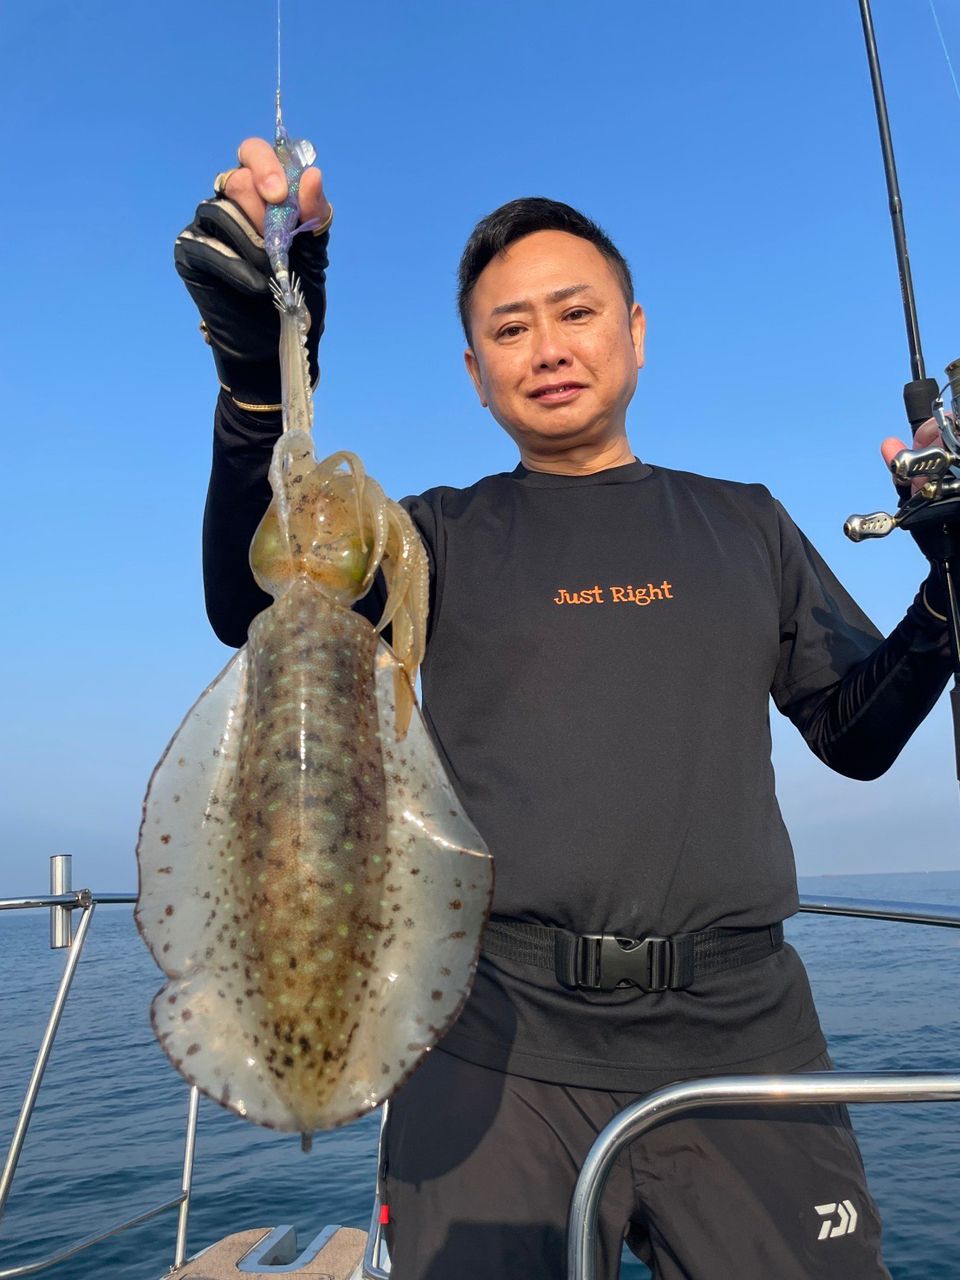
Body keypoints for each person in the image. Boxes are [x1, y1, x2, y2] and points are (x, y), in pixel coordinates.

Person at [176, 137, 953, 1280]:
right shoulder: (431, 537)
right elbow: (257, 597)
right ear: (476, 371)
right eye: (509, 328)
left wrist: (946, 595)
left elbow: (858, 732)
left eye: (573, 311)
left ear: (634, 330)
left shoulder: (746, 524)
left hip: (743, 1033)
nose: (546, 348)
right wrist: (262, 370)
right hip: (494, 1034)